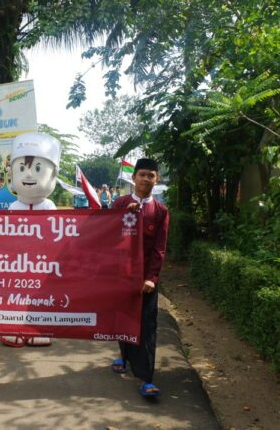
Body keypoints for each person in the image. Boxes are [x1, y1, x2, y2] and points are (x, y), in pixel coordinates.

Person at [110, 158, 169, 397]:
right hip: (121, 277)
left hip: (146, 280)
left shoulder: (161, 211)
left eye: (151, 175)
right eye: (142, 174)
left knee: (147, 325)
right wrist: (124, 215)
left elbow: (159, 248)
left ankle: (145, 378)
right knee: (123, 318)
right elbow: (105, 236)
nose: (146, 179)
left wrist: (152, 278)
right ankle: (123, 357)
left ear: (157, 180)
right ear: (133, 178)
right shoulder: (119, 203)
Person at [1, 132, 61, 347]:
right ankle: (13, 329)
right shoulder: (13, 207)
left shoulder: (48, 206)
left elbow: (55, 236)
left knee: (41, 297)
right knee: (15, 296)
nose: (28, 175)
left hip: (41, 263)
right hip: (17, 263)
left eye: (37, 169)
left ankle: (40, 329)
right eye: (22, 168)